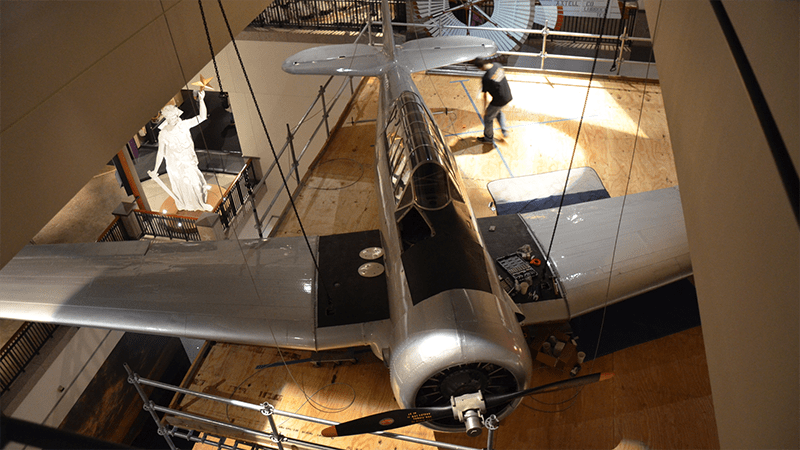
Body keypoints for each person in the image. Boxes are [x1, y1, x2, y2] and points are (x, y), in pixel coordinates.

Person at [148, 90, 213, 212]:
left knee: (196, 184)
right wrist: (155, 170)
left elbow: (202, 117)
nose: (174, 118)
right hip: (175, 165)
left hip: (188, 162)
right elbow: (161, 152)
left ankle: (201, 204)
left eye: (175, 116)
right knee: (183, 187)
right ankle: (187, 204)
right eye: (171, 117)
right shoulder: (163, 134)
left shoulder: (183, 125)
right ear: (166, 118)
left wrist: (202, 100)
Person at [473, 58, 512, 144]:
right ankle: (504, 130)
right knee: (497, 112)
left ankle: (488, 138)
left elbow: (484, 95)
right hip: (508, 95)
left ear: (480, 67)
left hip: (499, 100)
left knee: (488, 118)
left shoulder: (486, 78)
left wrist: (484, 109)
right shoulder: (498, 66)